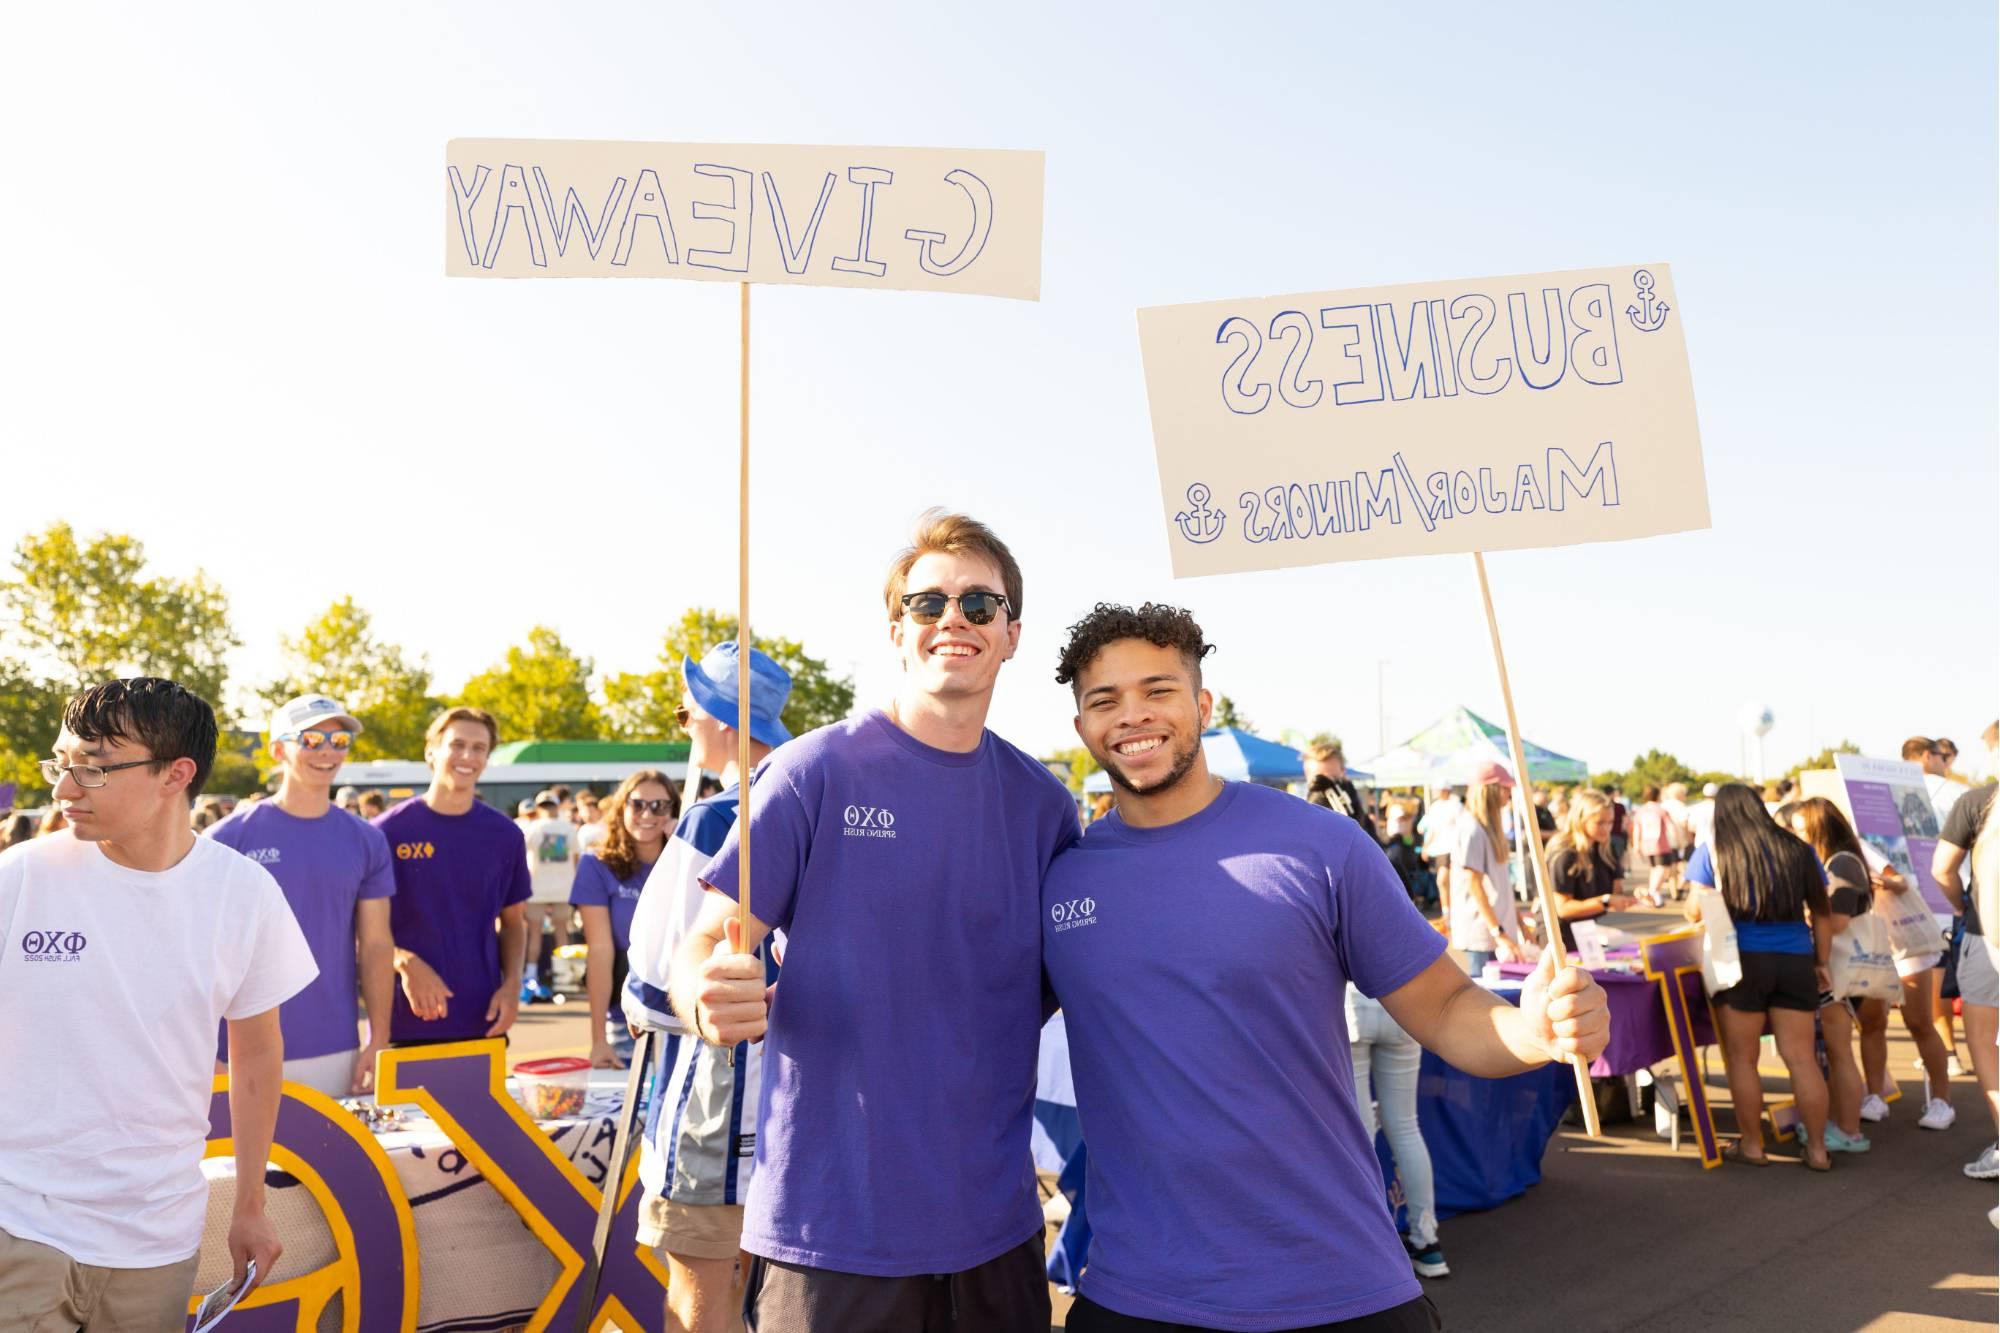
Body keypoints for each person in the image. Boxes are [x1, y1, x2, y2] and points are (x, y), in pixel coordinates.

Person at [1036, 602, 1607, 1329]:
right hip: (1136, 1292)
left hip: (1335, 1288)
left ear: (1202, 705)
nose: (1132, 715)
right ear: (1082, 727)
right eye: (1104, 700)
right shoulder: (1063, 881)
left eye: (1158, 690)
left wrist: (1534, 1031)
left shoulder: (1320, 847)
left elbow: (1443, 1005)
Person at [673, 512, 1079, 1332]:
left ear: (1012, 635)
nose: (952, 620)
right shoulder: (810, 772)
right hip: (832, 1233)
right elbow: (708, 941)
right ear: (898, 630)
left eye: (978, 605)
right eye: (928, 604)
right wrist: (702, 994)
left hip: (995, 1232)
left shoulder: (1044, 807)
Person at [0, 678, 317, 1327]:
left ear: (176, 774)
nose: (63, 788)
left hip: (157, 1237)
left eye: (91, 767)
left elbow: (257, 1056)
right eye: (60, 764)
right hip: (18, 1223)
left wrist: (250, 1205)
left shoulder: (244, 893)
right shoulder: (20, 878)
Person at [623, 644, 791, 1333]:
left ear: (722, 719)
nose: (683, 721)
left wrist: (643, 1003)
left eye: (689, 708)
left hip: (716, 1098)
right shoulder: (815, 796)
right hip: (798, 1098)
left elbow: (655, 973)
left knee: (699, 1303)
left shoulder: (716, 816)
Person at [206, 694, 397, 1097]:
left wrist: (378, 1038)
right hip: (237, 1049)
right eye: (312, 739)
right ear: (279, 750)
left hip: (334, 1046)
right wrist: (206, 1047)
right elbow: (199, 952)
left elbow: (377, 945)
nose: (328, 751)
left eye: (339, 740)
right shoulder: (226, 839)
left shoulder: (366, 840)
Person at [1681, 784, 1833, 1168]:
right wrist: (1822, 961)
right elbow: (1823, 912)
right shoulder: (1799, 849)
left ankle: (1752, 1145)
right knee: (1802, 1059)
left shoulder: (1714, 852)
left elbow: (1693, 911)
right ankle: (1817, 1149)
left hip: (1740, 962)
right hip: (1797, 958)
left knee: (1742, 1058)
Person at [373, 707, 530, 1047]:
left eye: (479, 748)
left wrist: (512, 985)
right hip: (403, 1024)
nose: (467, 756)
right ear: (431, 751)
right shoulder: (386, 832)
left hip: (483, 1022)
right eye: (457, 744)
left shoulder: (505, 835)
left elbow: (514, 923)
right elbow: (361, 930)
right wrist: (405, 962)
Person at [1789, 798, 1883, 1153]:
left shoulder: (1840, 863)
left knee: (1840, 1052)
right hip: (1846, 967)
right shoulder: (1842, 859)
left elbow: (1839, 920)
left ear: (1819, 827)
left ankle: (1848, 1130)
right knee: (1840, 1051)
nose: (1797, 835)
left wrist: (1811, 915)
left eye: (1801, 828)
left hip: (1840, 968)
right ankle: (1848, 1126)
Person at [569, 771, 677, 1071]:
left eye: (660, 806)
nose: (647, 814)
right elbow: (600, 952)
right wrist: (598, 1040)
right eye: (637, 804)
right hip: (628, 1018)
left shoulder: (686, 863)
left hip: (686, 1019)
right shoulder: (596, 864)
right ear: (621, 808)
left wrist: (682, 849)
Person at [1934, 780, 1998, 1179]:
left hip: (1987, 934)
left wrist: (1966, 908)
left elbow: (1941, 868)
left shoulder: (1980, 800)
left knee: (1984, 1045)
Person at [1447, 763, 1524, 975]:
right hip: (1482, 934)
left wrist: (1518, 924)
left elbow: (1500, 886)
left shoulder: (1487, 827)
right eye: (1505, 787)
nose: (1509, 793)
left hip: (1495, 931)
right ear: (1490, 790)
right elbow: (1474, 884)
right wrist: (1497, 930)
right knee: (1486, 997)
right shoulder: (1471, 828)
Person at [1547, 788, 1635, 951]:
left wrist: (1638, 896)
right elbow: (1562, 909)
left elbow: (1616, 895)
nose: (1606, 829)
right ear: (1581, 820)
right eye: (1600, 822)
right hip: (1559, 937)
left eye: (1610, 822)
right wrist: (1605, 902)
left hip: (1585, 930)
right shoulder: (1565, 854)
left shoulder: (1605, 850)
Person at [520, 792, 578, 1005]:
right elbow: (576, 857)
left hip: (538, 888)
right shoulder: (567, 828)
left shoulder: (533, 827)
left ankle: (531, 975)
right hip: (564, 888)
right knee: (561, 932)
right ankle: (564, 979)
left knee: (534, 933)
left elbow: (522, 853)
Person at [1303, 741, 1377, 841]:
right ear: (1307, 775)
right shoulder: (1302, 812)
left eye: (1332, 778)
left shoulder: (1355, 808)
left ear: (1343, 772)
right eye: (1319, 780)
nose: (1326, 785)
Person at [1631, 784, 1682, 907]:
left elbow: (1637, 829)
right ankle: (1652, 892)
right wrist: (1678, 841)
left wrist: (1636, 845)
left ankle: (1654, 893)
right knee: (1662, 868)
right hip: (1661, 844)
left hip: (1646, 844)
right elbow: (1671, 827)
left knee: (1655, 868)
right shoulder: (1661, 810)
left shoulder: (1641, 810)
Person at [1416, 784, 1462, 913]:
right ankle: (1447, 912)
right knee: (1442, 881)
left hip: (1452, 849)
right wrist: (1425, 847)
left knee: (1444, 880)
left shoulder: (1456, 805)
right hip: (1439, 850)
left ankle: (1450, 912)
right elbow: (1426, 829)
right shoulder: (1435, 807)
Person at [1686, 782, 1719, 851]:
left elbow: (1691, 828)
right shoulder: (1720, 808)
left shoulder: (1696, 808)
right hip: (1717, 843)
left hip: (1700, 843)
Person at [575, 788, 608, 853]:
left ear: (598, 811)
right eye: (585, 812)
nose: (588, 815)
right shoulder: (582, 829)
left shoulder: (607, 828)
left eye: (591, 811)